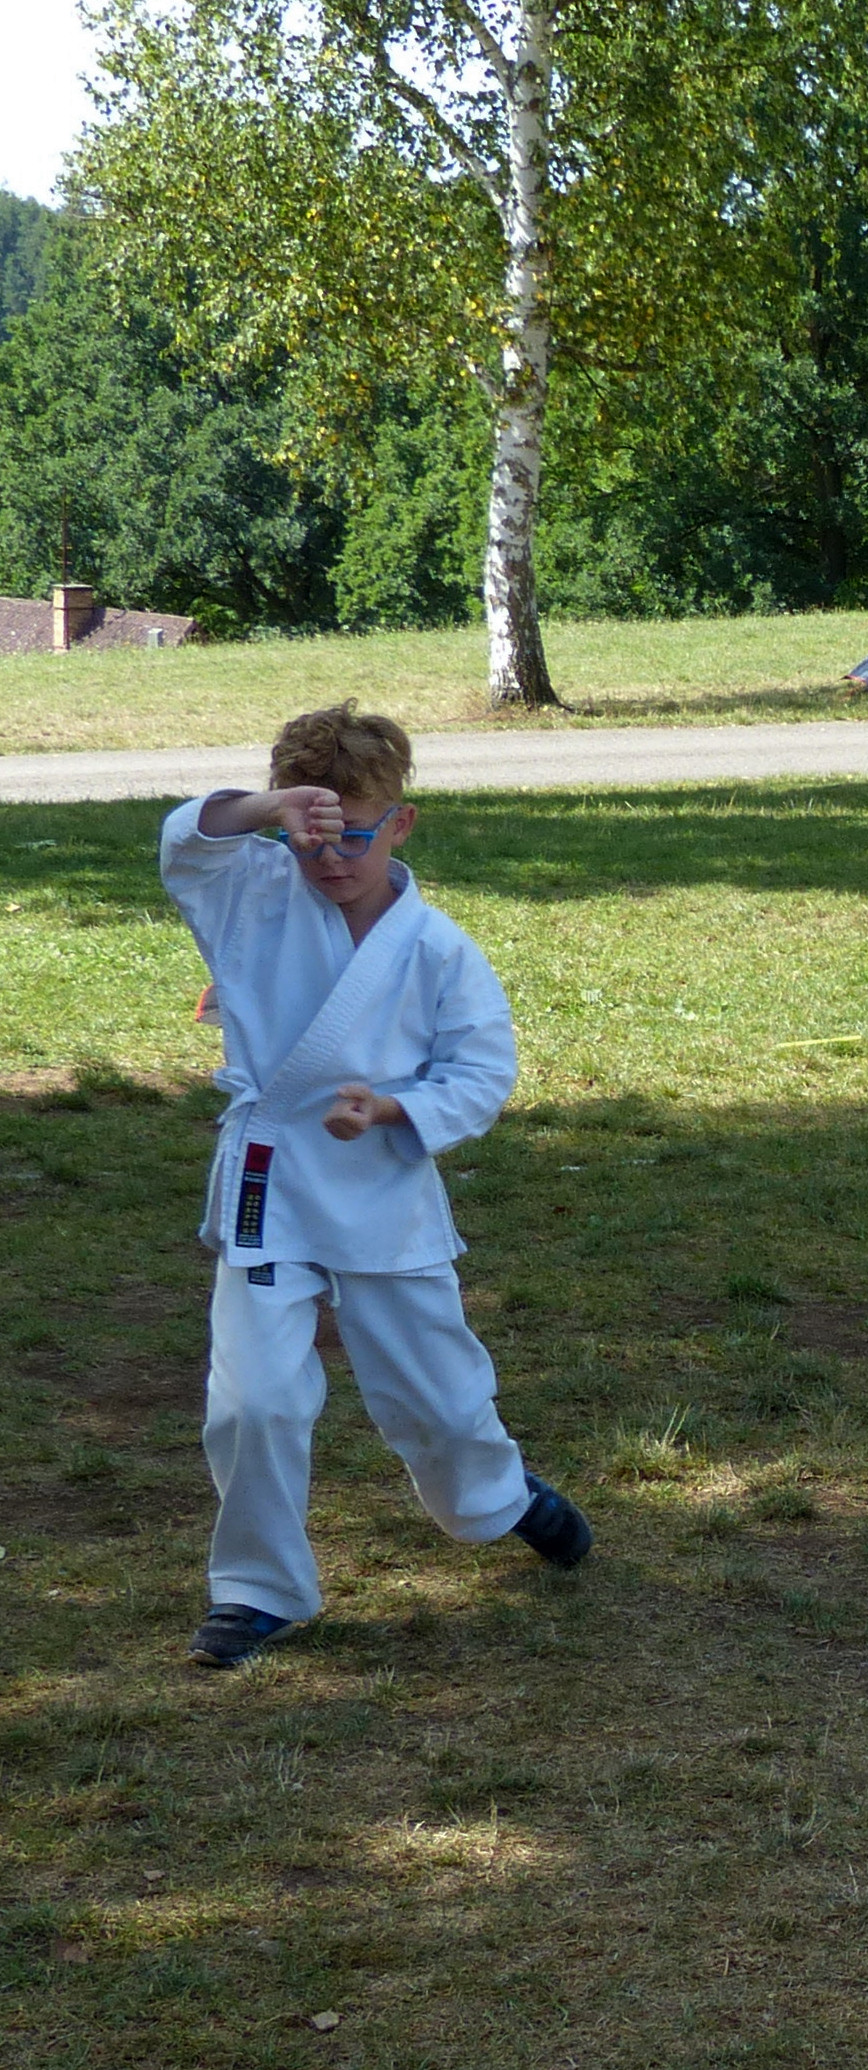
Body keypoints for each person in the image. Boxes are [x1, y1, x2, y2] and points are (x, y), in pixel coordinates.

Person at [159, 704, 591, 1667]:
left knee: (438, 1397)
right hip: (272, 1184)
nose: (330, 858)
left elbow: (481, 1073)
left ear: (401, 823)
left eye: (354, 834)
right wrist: (271, 809)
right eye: (310, 836)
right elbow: (185, 842)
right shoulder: (251, 894)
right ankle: (256, 1590)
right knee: (254, 1400)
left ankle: (501, 1498)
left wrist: (394, 1109)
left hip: (383, 1187)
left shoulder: (436, 947)